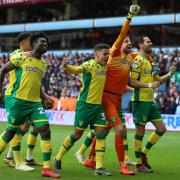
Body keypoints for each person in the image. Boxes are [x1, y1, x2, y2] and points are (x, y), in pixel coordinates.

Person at [75, 4, 140, 175]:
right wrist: (129, 17)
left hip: (118, 98)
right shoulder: (115, 51)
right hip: (107, 97)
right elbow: (122, 34)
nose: (129, 42)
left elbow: (142, 55)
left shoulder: (130, 57)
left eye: (130, 42)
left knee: (104, 130)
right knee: (121, 130)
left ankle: (89, 157)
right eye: (127, 41)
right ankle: (123, 165)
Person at [0, 32, 60, 178]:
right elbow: (2, 70)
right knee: (10, 132)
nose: (45, 44)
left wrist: (45, 97)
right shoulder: (21, 56)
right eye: (42, 42)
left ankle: (46, 169)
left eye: (46, 43)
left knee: (45, 129)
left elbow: (37, 84)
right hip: (18, 101)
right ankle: (12, 158)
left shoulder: (44, 64)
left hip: (34, 104)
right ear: (33, 44)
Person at [54, 43, 112, 176]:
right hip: (85, 106)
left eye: (108, 54)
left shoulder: (106, 68)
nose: (107, 56)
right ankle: (58, 158)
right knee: (77, 135)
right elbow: (74, 70)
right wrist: (66, 66)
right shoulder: (89, 65)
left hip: (98, 107)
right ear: (97, 55)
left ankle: (99, 167)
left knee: (101, 134)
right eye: (104, 54)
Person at [130, 35, 176, 173]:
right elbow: (132, 82)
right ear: (140, 45)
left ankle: (143, 153)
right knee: (140, 133)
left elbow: (158, 80)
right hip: (140, 101)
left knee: (161, 129)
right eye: (148, 42)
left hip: (149, 102)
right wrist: (150, 84)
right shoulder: (137, 61)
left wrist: (168, 74)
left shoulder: (151, 62)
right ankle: (139, 164)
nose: (151, 43)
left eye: (150, 41)